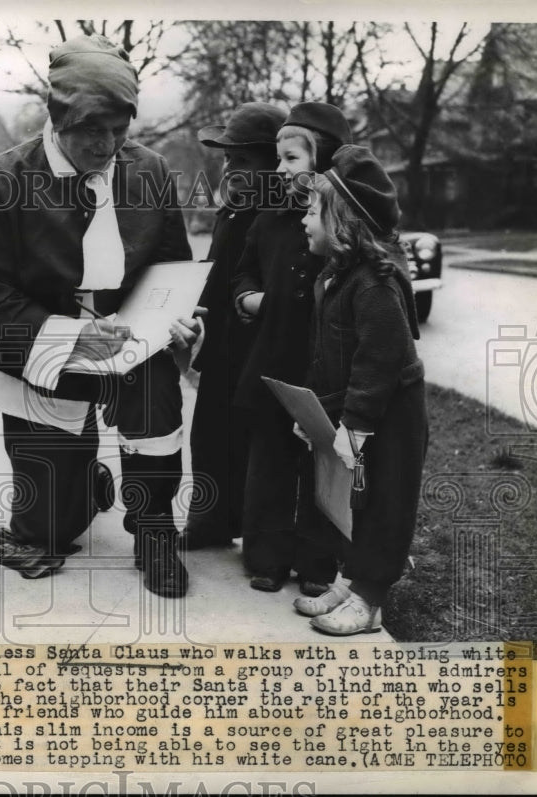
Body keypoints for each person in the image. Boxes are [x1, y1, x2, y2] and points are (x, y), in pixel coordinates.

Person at [0, 34, 199, 597]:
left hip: (130, 343)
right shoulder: (3, 181)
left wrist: (181, 322)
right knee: (48, 534)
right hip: (46, 350)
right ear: (57, 118)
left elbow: (172, 268)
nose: (108, 145)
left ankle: (153, 529)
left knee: (156, 408)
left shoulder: (149, 172)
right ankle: (81, 486)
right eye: (93, 130)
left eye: (120, 130)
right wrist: (72, 338)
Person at [293, 145, 428, 635]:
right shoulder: (335, 276)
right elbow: (327, 358)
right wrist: (315, 413)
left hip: (389, 415)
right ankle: (352, 579)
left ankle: (371, 600)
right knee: (354, 502)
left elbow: (380, 361)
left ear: (343, 222)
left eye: (313, 210)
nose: (304, 218)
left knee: (385, 503)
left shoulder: (373, 285)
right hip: (358, 410)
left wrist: (356, 424)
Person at [229, 102, 351, 594]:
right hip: (274, 356)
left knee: (323, 459)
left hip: (325, 364)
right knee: (272, 458)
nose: (279, 170)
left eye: (292, 159)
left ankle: (318, 561)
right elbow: (244, 270)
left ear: (323, 162)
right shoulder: (271, 219)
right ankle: (267, 556)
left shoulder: (344, 223)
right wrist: (251, 298)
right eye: (278, 159)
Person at [183, 102, 286, 551]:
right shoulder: (232, 210)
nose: (231, 169)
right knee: (209, 433)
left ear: (274, 163)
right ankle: (210, 523)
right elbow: (214, 269)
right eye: (227, 159)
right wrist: (197, 310)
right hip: (223, 342)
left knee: (258, 441)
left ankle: (261, 533)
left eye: (244, 160)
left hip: (262, 346)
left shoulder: (283, 218)